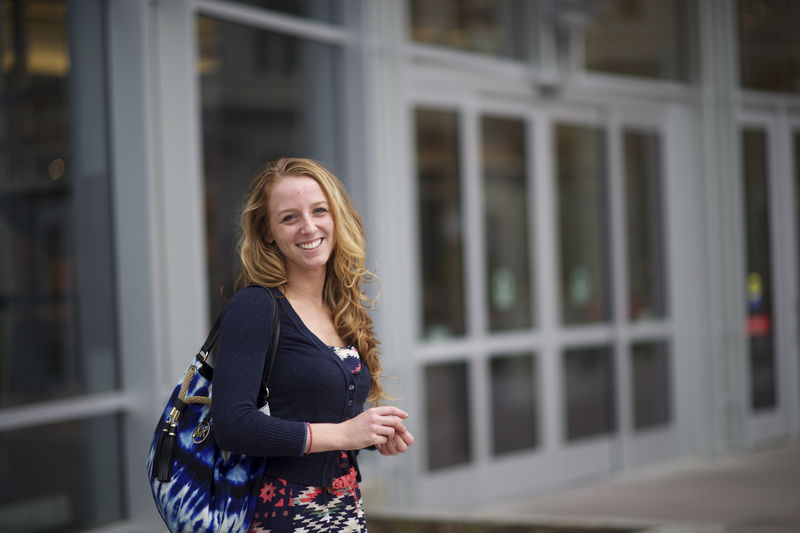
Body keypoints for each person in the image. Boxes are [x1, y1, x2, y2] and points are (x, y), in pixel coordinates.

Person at [211, 157, 414, 533]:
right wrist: (345, 433)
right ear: (268, 232)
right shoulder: (256, 307)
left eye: (319, 211)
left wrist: (370, 435)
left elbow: (310, 407)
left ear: (336, 217)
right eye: (289, 217)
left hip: (343, 505)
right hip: (281, 512)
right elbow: (232, 424)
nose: (309, 227)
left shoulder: (341, 306)